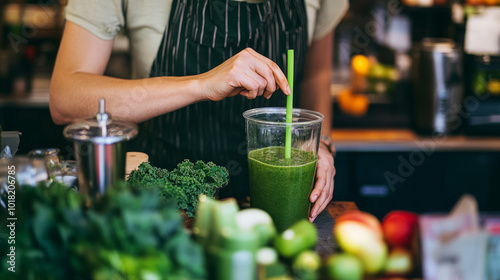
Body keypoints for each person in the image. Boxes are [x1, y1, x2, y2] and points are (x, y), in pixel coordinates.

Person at [50, 0, 349, 222]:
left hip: (272, 213)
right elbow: (66, 97)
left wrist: (318, 144)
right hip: (161, 210)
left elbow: (315, 74)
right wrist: (202, 84)